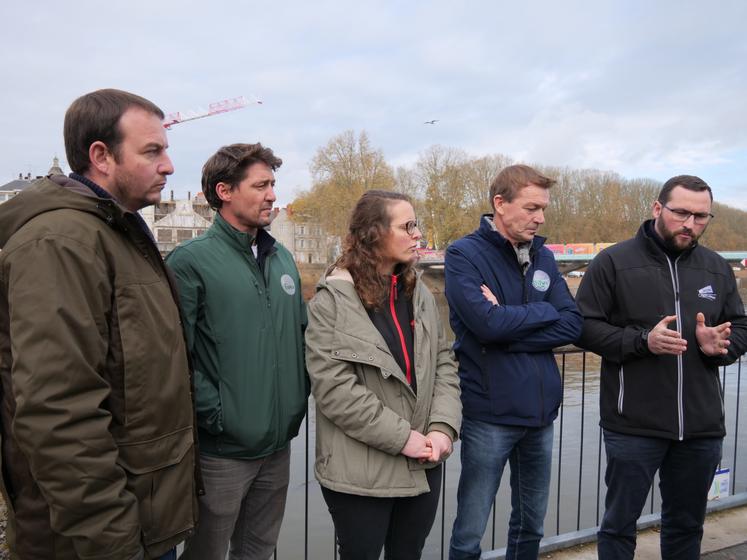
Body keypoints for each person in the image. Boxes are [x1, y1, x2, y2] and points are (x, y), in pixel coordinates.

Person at [0, 89, 198, 560]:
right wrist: (113, 543)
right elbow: (58, 412)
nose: (169, 165)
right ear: (101, 156)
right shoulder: (60, 244)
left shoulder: (118, 233)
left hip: (140, 517)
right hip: (95, 539)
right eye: (153, 151)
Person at [575, 175, 747, 560]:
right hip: (633, 424)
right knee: (619, 527)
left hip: (702, 427)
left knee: (687, 526)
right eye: (681, 212)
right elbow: (584, 327)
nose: (690, 224)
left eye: (701, 216)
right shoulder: (613, 262)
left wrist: (720, 345)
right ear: (657, 208)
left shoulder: (717, 268)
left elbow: (741, 325)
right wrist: (642, 341)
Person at [166, 143, 308, 560]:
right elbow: (176, 358)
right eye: (261, 185)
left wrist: (294, 405)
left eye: (273, 184)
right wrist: (218, 416)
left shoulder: (282, 258)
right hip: (222, 452)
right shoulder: (190, 262)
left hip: (278, 445)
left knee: (258, 551)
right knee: (206, 553)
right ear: (224, 190)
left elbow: (300, 336)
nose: (271, 195)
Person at [305, 190, 462, 560]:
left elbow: (442, 362)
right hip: (362, 475)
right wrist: (402, 438)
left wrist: (442, 428)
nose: (417, 234)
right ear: (374, 233)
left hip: (424, 461)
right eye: (407, 226)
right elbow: (335, 391)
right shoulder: (331, 302)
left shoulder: (418, 293)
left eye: (416, 225)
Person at [446, 164, 583, 560]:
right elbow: (486, 326)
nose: (540, 218)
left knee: (530, 525)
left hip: (541, 415)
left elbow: (572, 324)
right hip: (489, 413)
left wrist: (510, 324)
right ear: (500, 204)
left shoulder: (543, 256)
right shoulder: (463, 254)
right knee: (470, 530)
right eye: (531, 207)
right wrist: (541, 314)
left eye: (544, 209)